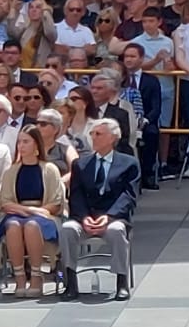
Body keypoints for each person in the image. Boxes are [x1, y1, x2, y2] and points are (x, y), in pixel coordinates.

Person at [60, 118, 139, 301]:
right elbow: (76, 195)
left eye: (98, 134)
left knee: (117, 231)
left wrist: (109, 217)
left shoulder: (129, 163)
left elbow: (128, 196)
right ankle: (70, 282)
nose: (93, 137)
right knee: (67, 230)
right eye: (92, 134)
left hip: (113, 218)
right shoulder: (81, 164)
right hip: (86, 218)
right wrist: (84, 217)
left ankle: (121, 282)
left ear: (112, 138)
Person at [0, 126, 66, 299]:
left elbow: (56, 202)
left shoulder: (49, 169)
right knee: (13, 225)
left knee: (31, 225)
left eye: (26, 142)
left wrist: (37, 211)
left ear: (37, 144)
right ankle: (20, 277)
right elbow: (5, 202)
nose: (21, 146)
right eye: (19, 142)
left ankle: (36, 276)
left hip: (44, 214)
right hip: (17, 212)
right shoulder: (11, 171)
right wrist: (28, 210)